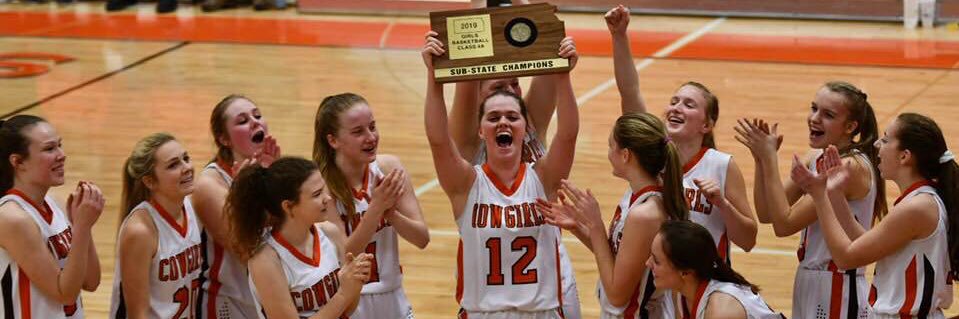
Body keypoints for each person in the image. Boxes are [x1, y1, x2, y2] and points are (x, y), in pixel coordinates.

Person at [422, 27, 579, 318]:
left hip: (541, 308)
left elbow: (568, 135)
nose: (503, 122)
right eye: (493, 118)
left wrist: (564, 76)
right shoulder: (467, 182)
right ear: (480, 130)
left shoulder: (541, 177)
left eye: (512, 116)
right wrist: (433, 79)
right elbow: (438, 139)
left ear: (525, 125)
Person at [608, 4, 757, 263]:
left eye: (689, 104)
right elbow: (630, 91)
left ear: (706, 125)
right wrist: (619, 37)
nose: (676, 108)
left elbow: (748, 240)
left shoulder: (721, 165)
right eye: (674, 101)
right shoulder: (652, 154)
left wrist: (722, 203)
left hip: (705, 286)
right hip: (659, 287)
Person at [736, 81, 884, 318]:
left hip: (838, 283)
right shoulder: (816, 156)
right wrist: (761, 160)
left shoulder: (849, 167)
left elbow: (784, 225)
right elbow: (767, 214)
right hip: (809, 277)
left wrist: (770, 160)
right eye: (814, 108)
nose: (814, 118)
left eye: (827, 114)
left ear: (850, 126)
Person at [792, 113, 957, 318]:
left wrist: (820, 196)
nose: (878, 144)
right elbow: (864, 244)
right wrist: (834, 194)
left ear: (904, 156)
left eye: (886, 139)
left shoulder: (917, 207)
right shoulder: (920, 201)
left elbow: (846, 258)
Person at [538, 112, 686, 318]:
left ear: (625, 155)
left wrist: (596, 225)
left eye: (610, 146)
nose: (608, 153)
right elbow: (618, 259)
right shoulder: (638, 195)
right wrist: (580, 228)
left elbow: (617, 295)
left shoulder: (645, 214)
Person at [312, 92, 429, 319]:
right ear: (333, 140)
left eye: (372, 127)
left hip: (393, 295)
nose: (371, 137)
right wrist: (376, 209)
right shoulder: (320, 185)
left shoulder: (389, 167)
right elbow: (344, 255)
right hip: (351, 301)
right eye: (358, 132)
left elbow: (422, 238)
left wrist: (392, 214)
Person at [226, 157, 373, 318]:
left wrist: (355, 283)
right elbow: (343, 298)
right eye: (317, 194)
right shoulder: (265, 260)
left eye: (324, 189)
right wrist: (344, 294)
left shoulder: (330, 232)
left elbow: (348, 310)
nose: (328, 198)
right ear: (288, 206)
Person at [0, 115, 102, 318]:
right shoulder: (12, 218)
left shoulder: (55, 204)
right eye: (49, 149)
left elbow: (91, 281)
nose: (61, 155)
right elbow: (64, 293)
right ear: (18, 161)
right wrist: (81, 227)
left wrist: (83, 226)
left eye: (60, 145)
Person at [192, 94, 280, 319]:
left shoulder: (269, 167)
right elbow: (245, 249)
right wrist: (246, 195)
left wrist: (276, 179)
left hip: (266, 297)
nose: (255, 122)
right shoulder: (209, 184)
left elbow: (289, 232)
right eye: (242, 121)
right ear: (224, 139)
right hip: (228, 302)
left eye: (257, 115)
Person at [110, 133, 204, 318]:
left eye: (186, 158)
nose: (186, 168)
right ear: (149, 181)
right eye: (173, 165)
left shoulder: (191, 206)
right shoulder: (140, 231)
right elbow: (138, 314)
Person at [647, 220, 784, 319]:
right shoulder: (681, 292)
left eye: (657, 261)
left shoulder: (722, 311)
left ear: (685, 272)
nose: (648, 263)